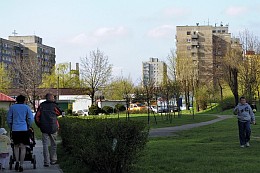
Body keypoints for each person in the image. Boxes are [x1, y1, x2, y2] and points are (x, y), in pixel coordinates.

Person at [7, 95, 34, 172]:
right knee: (23, 147)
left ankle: (17, 162)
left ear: (16, 100)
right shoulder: (26, 108)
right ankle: (22, 165)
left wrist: (11, 126)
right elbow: (30, 118)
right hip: (24, 129)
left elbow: (9, 118)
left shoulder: (12, 107)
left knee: (16, 146)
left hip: (15, 129)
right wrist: (28, 125)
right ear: (24, 100)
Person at [35, 93, 62, 167]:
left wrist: (39, 125)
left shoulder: (42, 106)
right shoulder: (54, 105)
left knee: (45, 145)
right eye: (53, 97)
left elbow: (37, 117)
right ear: (51, 98)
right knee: (53, 144)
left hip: (44, 127)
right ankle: (53, 160)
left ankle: (46, 162)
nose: (54, 98)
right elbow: (59, 112)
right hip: (53, 127)